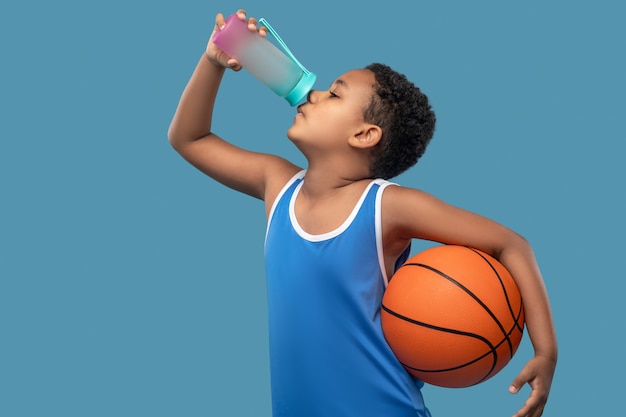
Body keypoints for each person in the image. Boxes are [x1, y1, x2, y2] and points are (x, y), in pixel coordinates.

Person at [168, 9, 557, 417]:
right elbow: (189, 138)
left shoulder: (385, 206)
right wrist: (212, 61)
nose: (312, 94)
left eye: (334, 94)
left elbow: (511, 244)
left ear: (364, 135)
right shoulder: (277, 185)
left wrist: (546, 351)